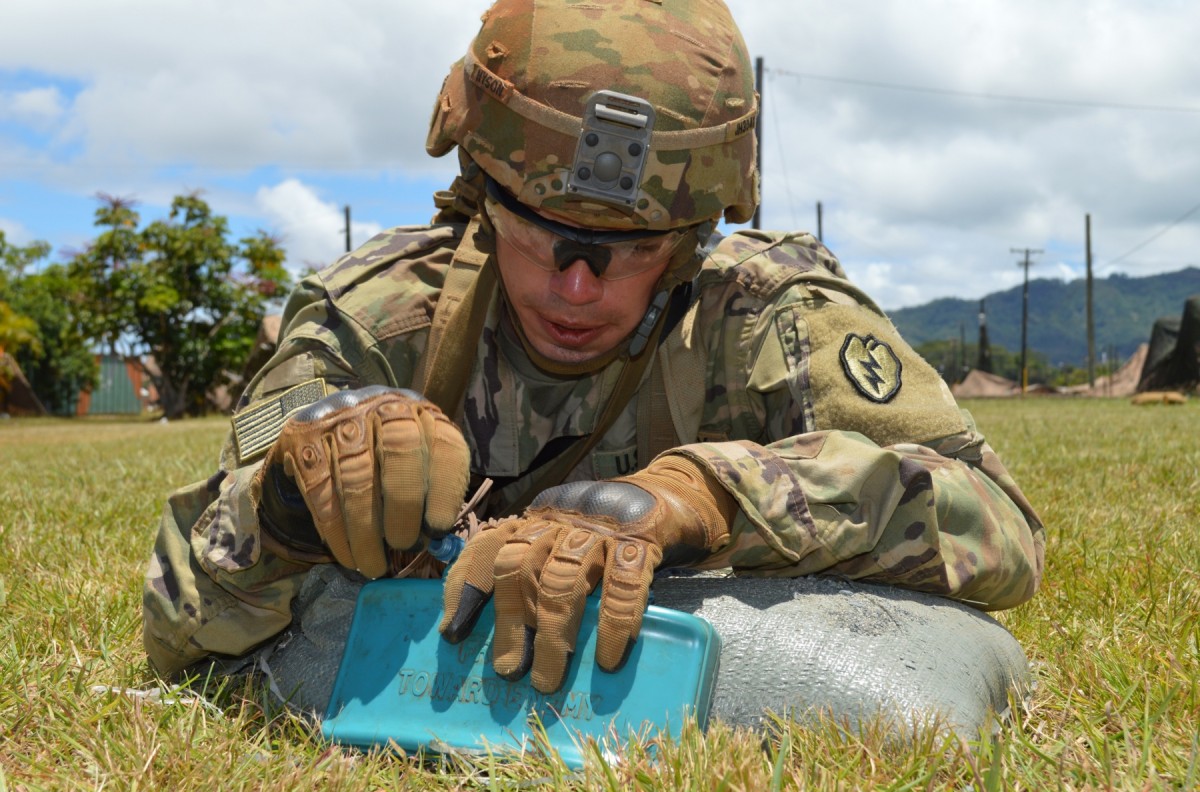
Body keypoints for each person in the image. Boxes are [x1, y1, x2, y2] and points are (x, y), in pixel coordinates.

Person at [143, 0, 1044, 696]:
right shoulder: (373, 319)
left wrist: (706, 498)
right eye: (543, 234)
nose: (577, 288)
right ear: (483, 195)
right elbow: (176, 619)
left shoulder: (766, 318)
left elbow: (999, 527)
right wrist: (288, 509)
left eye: (632, 251)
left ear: (695, 236)